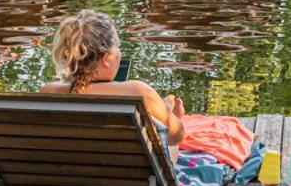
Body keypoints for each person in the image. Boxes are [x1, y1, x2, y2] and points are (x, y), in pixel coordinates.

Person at [41, 10, 185, 145]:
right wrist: (169, 112)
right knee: (169, 144)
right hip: (129, 170)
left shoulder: (48, 93)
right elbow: (175, 137)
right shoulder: (138, 92)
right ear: (107, 58)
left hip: (68, 169)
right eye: (118, 46)